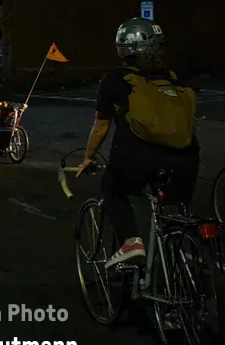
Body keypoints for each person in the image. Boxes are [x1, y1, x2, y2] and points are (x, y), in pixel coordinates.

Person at [76, 19, 200, 268]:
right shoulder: (176, 79)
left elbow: (102, 125)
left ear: (122, 48)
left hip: (138, 158)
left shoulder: (115, 80)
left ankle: (131, 241)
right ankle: (181, 268)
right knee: (172, 214)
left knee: (111, 189)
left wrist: (88, 156)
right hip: (187, 158)